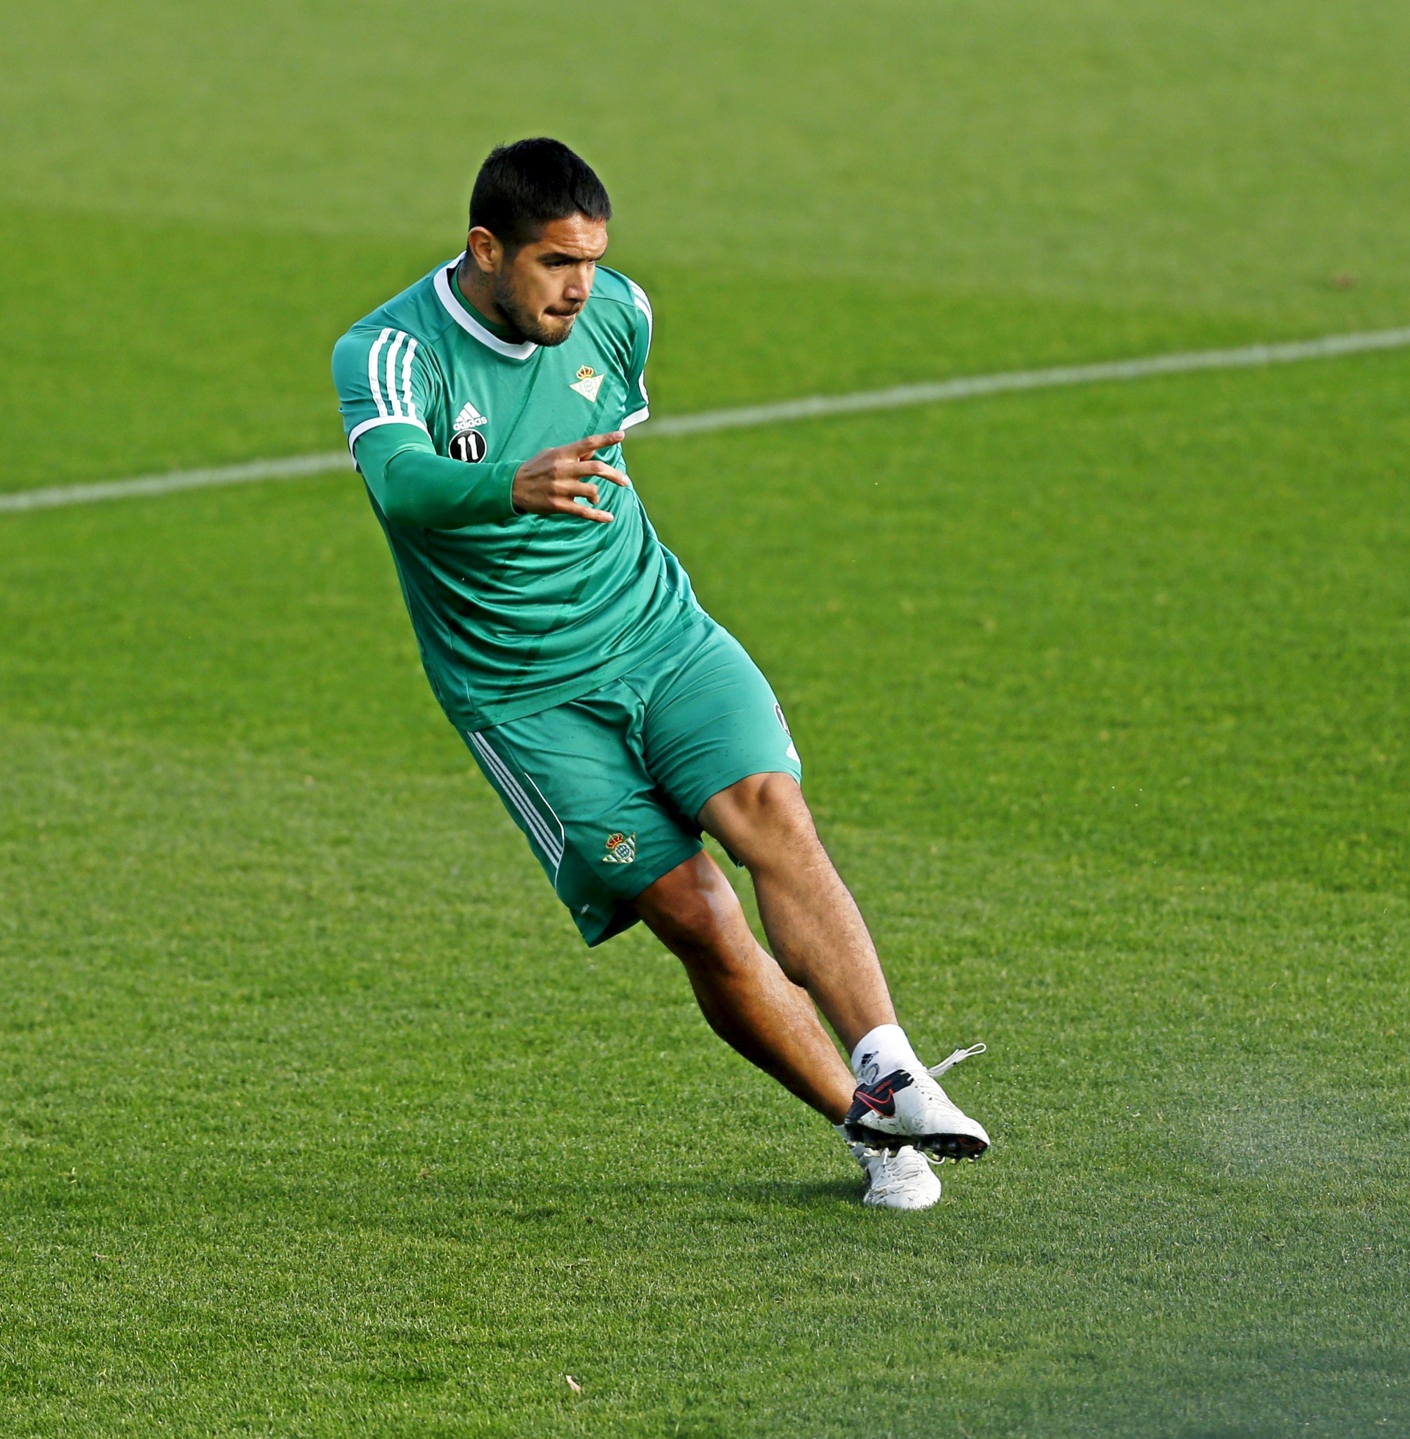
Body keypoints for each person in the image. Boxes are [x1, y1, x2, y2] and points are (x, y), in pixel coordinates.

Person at [330, 137, 987, 1211]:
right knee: (696, 910)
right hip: (523, 691)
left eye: (590, 259)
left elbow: (611, 440)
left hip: (655, 629)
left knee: (770, 810)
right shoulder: (391, 350)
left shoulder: (618, 311)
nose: (578, 287)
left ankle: (891, 1065)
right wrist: (509, 482)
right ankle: (869, 1132)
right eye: (553, 262)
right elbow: (400, 484)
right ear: (485, 249)